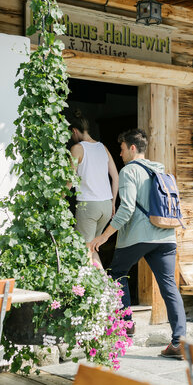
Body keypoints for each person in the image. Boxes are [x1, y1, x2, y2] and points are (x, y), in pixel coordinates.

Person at [88, 128, 186, 360]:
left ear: (132, 148)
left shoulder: (129, 170)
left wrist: (104, 236)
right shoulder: (161, 170)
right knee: (169, 287)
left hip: (138, 236)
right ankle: (179, 341)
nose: (119, 154)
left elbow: (127, 209)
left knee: (117, 273)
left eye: (121, 149)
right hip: (166, 236)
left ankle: (126, 324)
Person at [69, 111, 119, 269]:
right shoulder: (102, 147)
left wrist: (57, 200)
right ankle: (105, 289)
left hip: (88, 206)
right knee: (92, 247)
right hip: (105, 205)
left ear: (74, 131)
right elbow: (116, 176)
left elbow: (69, 180)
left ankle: (89, 291)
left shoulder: (77, 148)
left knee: (83, 250)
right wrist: (113, 202)